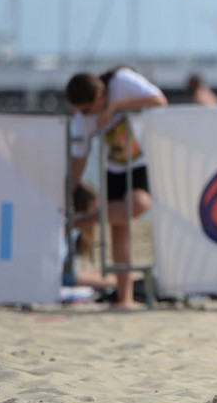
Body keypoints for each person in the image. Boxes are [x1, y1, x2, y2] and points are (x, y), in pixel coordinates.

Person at [65, 66, 167, 308]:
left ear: (99, 97)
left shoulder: (121, 81)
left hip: (142, 160)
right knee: (119, 230)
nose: (84, 115)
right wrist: (68, 193)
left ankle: (84, 220)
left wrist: (115, 107)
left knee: (140, 204)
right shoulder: (83, 118)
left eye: (86, 109)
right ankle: (125, 298)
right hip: (114, 167)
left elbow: (159, 100)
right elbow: (79, 161)